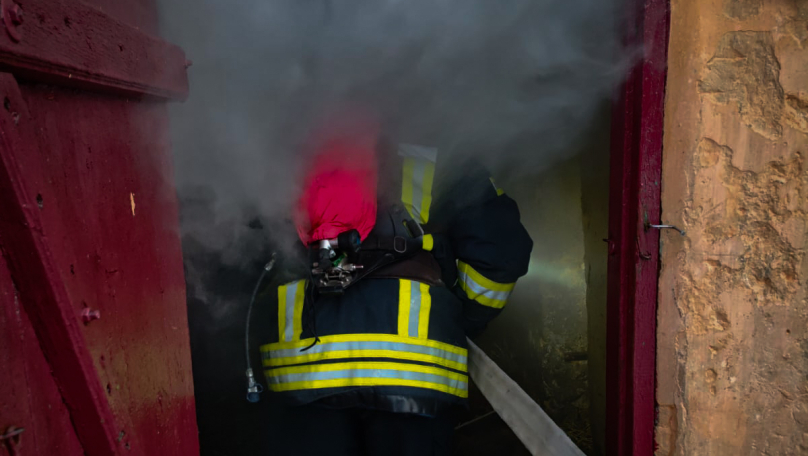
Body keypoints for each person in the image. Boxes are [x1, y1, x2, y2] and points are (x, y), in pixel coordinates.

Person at [257, 128, 533, 456]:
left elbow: (237, 254)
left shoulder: (283, 155)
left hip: (301, 370)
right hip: (414, 369)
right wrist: (458, 319)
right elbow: (501, 251)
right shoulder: (441, 157)